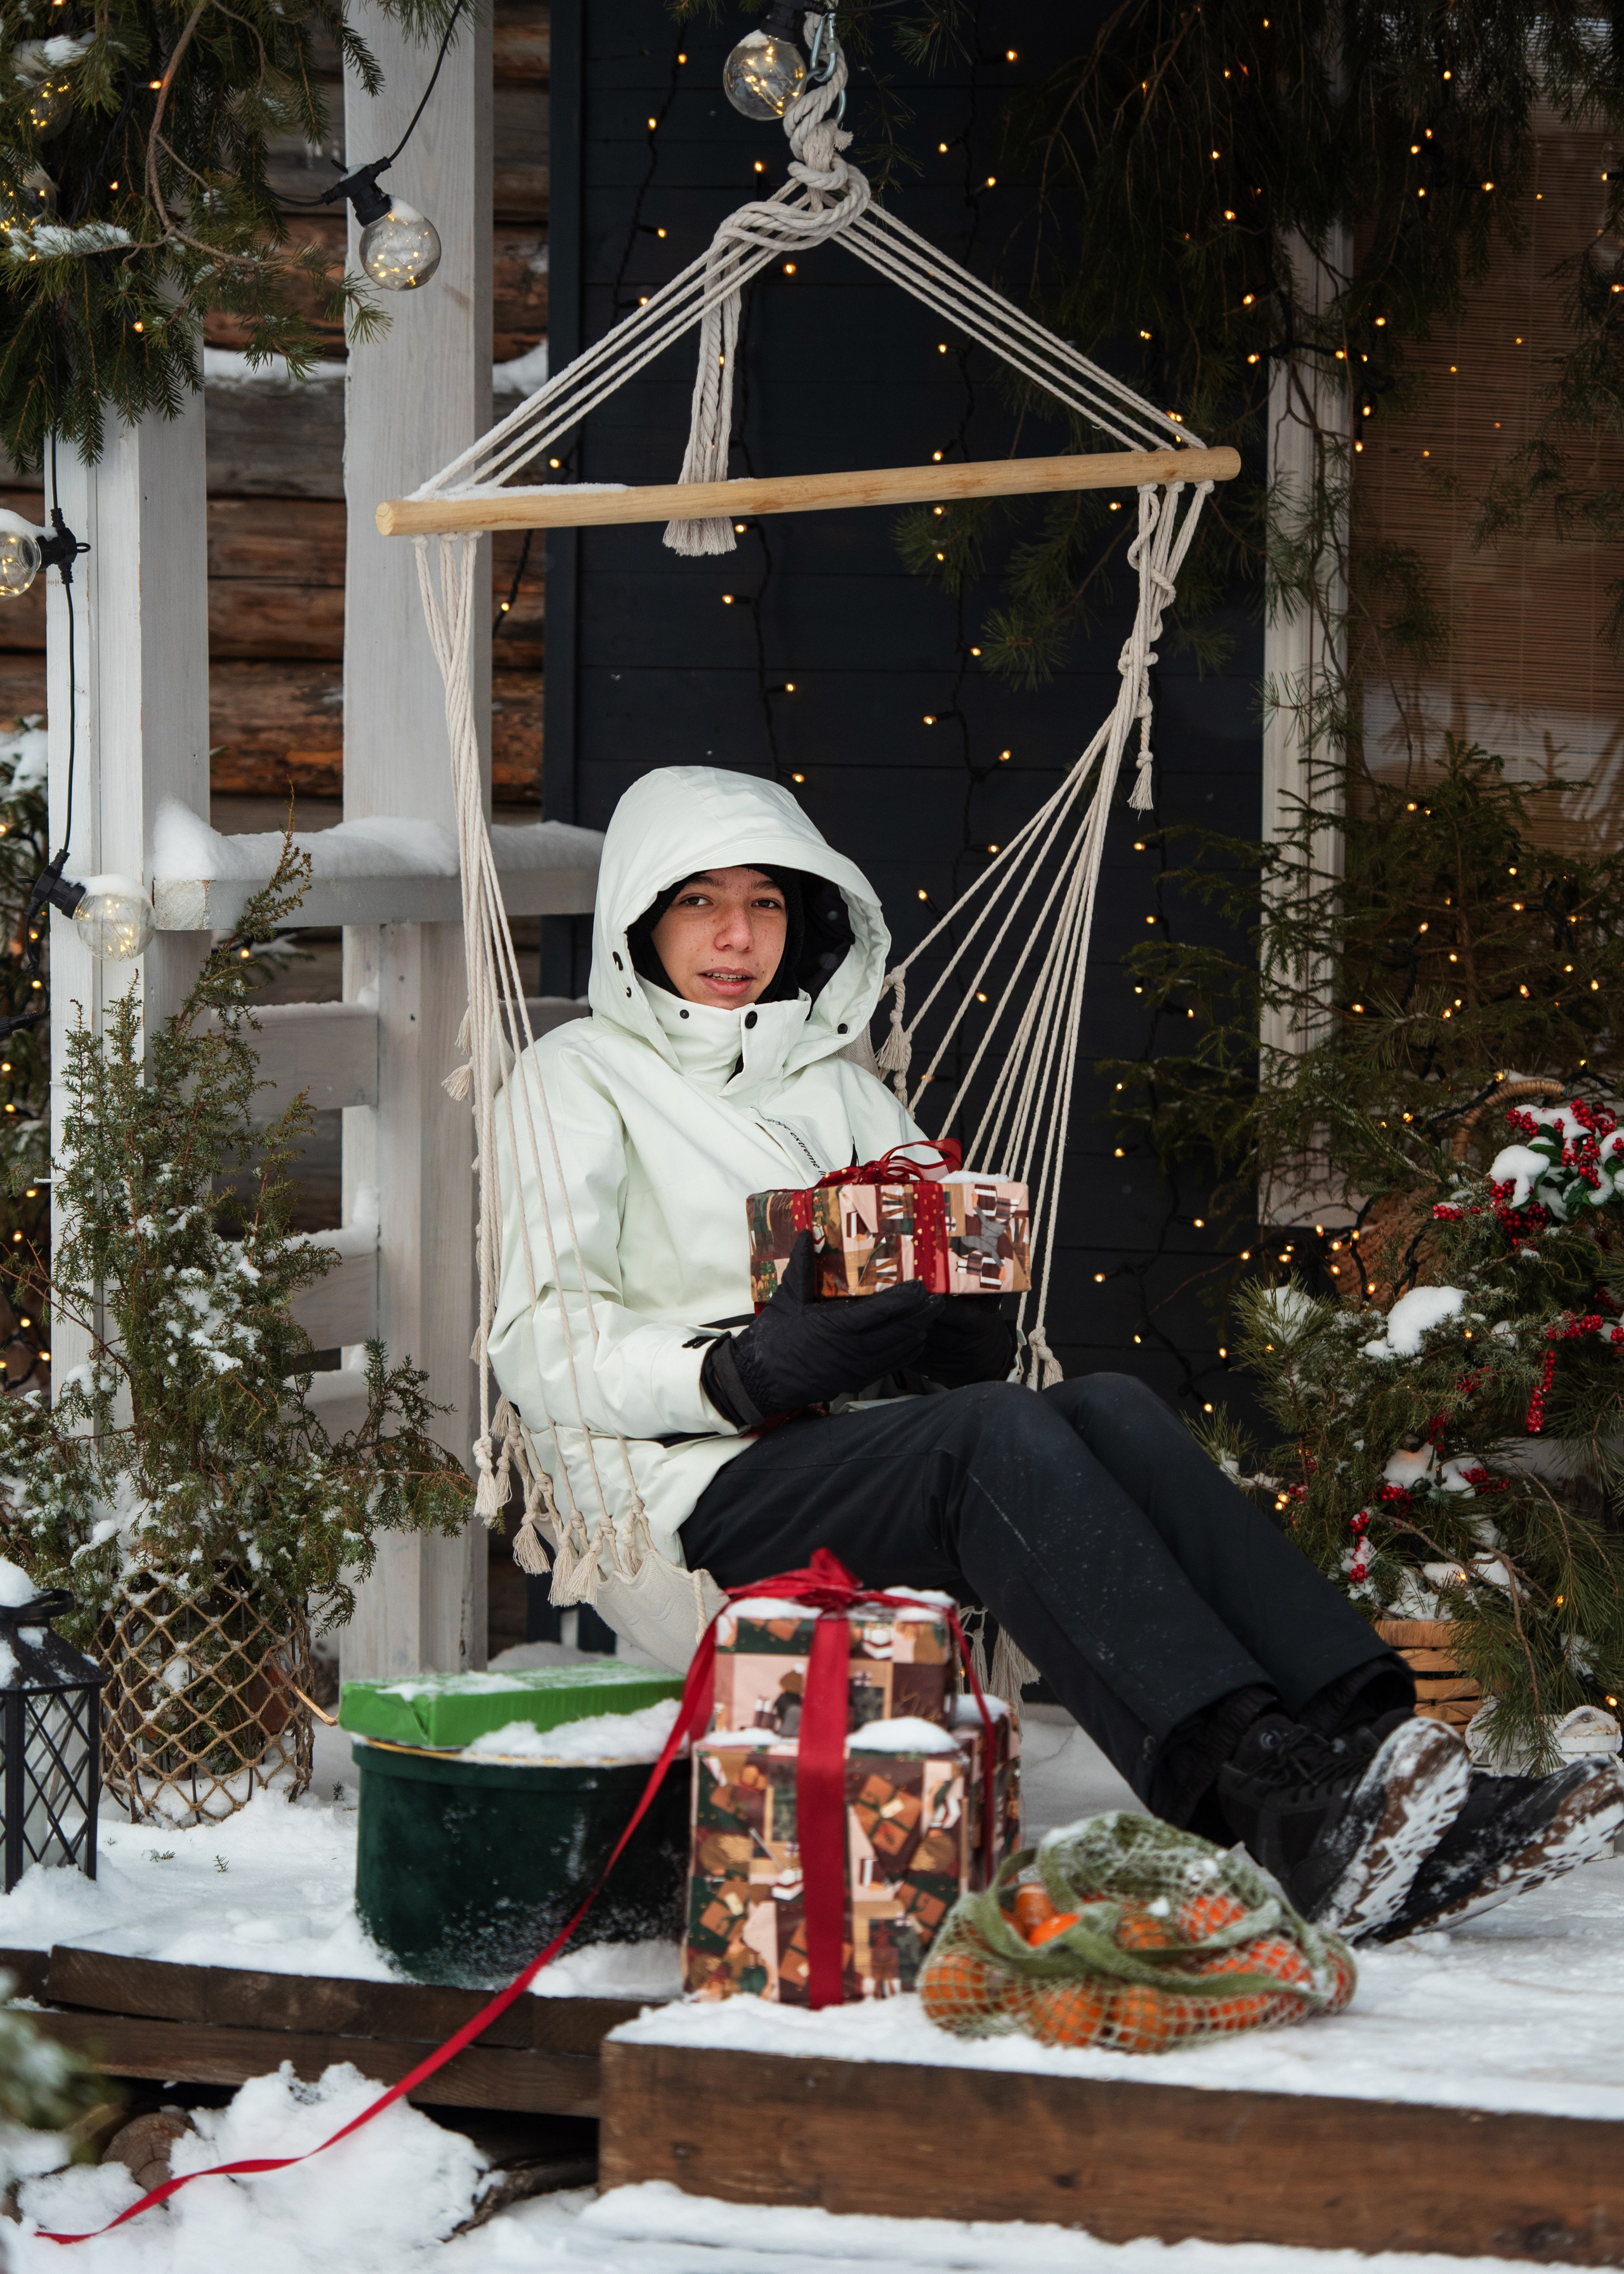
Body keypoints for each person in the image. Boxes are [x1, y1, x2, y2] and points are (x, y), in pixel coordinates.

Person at [490, 766, 1624, 1943]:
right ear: (639, 918)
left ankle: (1379, 1755)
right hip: (684, 1490)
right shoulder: (576, 1080)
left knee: (1113, 1405)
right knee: (1000, 1430)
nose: (737, 936)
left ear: (807, 915)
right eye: (700, 902)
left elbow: (928, 1297)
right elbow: (539, 1339)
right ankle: (1275, 1795)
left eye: (767, 902)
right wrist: (735, 1372)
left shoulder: (840, 1087)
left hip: (856, 1448)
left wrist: (949, 1326)